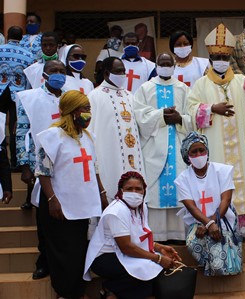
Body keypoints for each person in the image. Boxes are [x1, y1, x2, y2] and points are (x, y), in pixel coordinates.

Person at [187, 23, 245, 234]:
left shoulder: (240, 80)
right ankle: (217, 223)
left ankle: (242, 228)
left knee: (240, 181)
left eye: (224, 58)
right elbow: (190, 111)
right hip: (215, 144)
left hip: (239, 148)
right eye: (217, 58)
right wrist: (211, 109)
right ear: (210, 60)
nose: (221, 61)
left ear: (229, 60)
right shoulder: (200, 84)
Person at [36, 90, 107, 299]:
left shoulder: (87, 136)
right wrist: (52, 200)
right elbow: (43, 172)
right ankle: (66, 293)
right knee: (63, 253)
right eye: (85, 109)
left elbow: (94, 168)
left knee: (79, 251)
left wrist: (102, 192)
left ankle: (78, 291)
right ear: (72, 111)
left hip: (82, 203)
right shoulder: (52, 136)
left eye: (89, 109)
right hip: (58, 204)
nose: (89, 113)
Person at [84, 171, 181, 299]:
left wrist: (160, 248)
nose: (134, 192)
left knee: (150, 267)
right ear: (121, 191)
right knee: (146, 266)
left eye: (138, 189)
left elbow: (139, 237)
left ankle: (112, 292)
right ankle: (111, 288)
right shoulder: (117, 211)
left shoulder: (142, 208)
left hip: (123, 252)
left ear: (144, 191)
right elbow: (127, 247)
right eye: (129, 189)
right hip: (104, 257)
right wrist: (158, 258)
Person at [16, 60, 67, 280]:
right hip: (40, 163)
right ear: (44, 75)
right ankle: (43, 261)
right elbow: (21, 131)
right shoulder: (29, 98)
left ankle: (67, 261)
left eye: (61, 71)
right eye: (53, 71)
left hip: (68, 163)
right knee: (44, 216)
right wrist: (25, 165)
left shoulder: (70, 97)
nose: (58, 74)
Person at [134, 52, 192, 241]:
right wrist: (161, 115)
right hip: (153, 146)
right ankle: (157, 235)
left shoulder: (183, 89)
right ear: (157, 65)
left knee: (179, 187)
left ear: (174, 66)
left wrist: (180, 119)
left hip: (177, 143)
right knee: (155, 188)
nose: (165, 66)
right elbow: (139, 115)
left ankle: (179, 234)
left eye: (168, 63)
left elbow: (192, 117)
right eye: (162, 63)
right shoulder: (145, 88)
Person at [174, 132, 237, 269]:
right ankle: (208, 264)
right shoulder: (182, 179)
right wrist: (207, 223)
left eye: (201, 150)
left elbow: (225, 200)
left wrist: (212, 223)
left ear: (207, 151)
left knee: (220, 263)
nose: (198, 155)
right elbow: (191, 207)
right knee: (193, 244)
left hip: (223, 219)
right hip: (198, 223)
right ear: (187, 156)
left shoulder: (223, 171)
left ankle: (217, 264)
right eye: (194, 152)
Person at [87, 56, 145, 203]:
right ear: (106, 74)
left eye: (123, 71)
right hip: (108, 157)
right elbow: (90, 130)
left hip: (132, 156)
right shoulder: (95, 96)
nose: (122, 75)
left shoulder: (129, 95)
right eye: (118, 71)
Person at [0, 26, 34, 169]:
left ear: (7, 35)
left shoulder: (0, 49)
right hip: (18, 95)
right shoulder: (29, 54)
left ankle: (1, 160)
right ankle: (16, 162)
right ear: (22, 37)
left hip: (1, 92)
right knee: (16, 128)